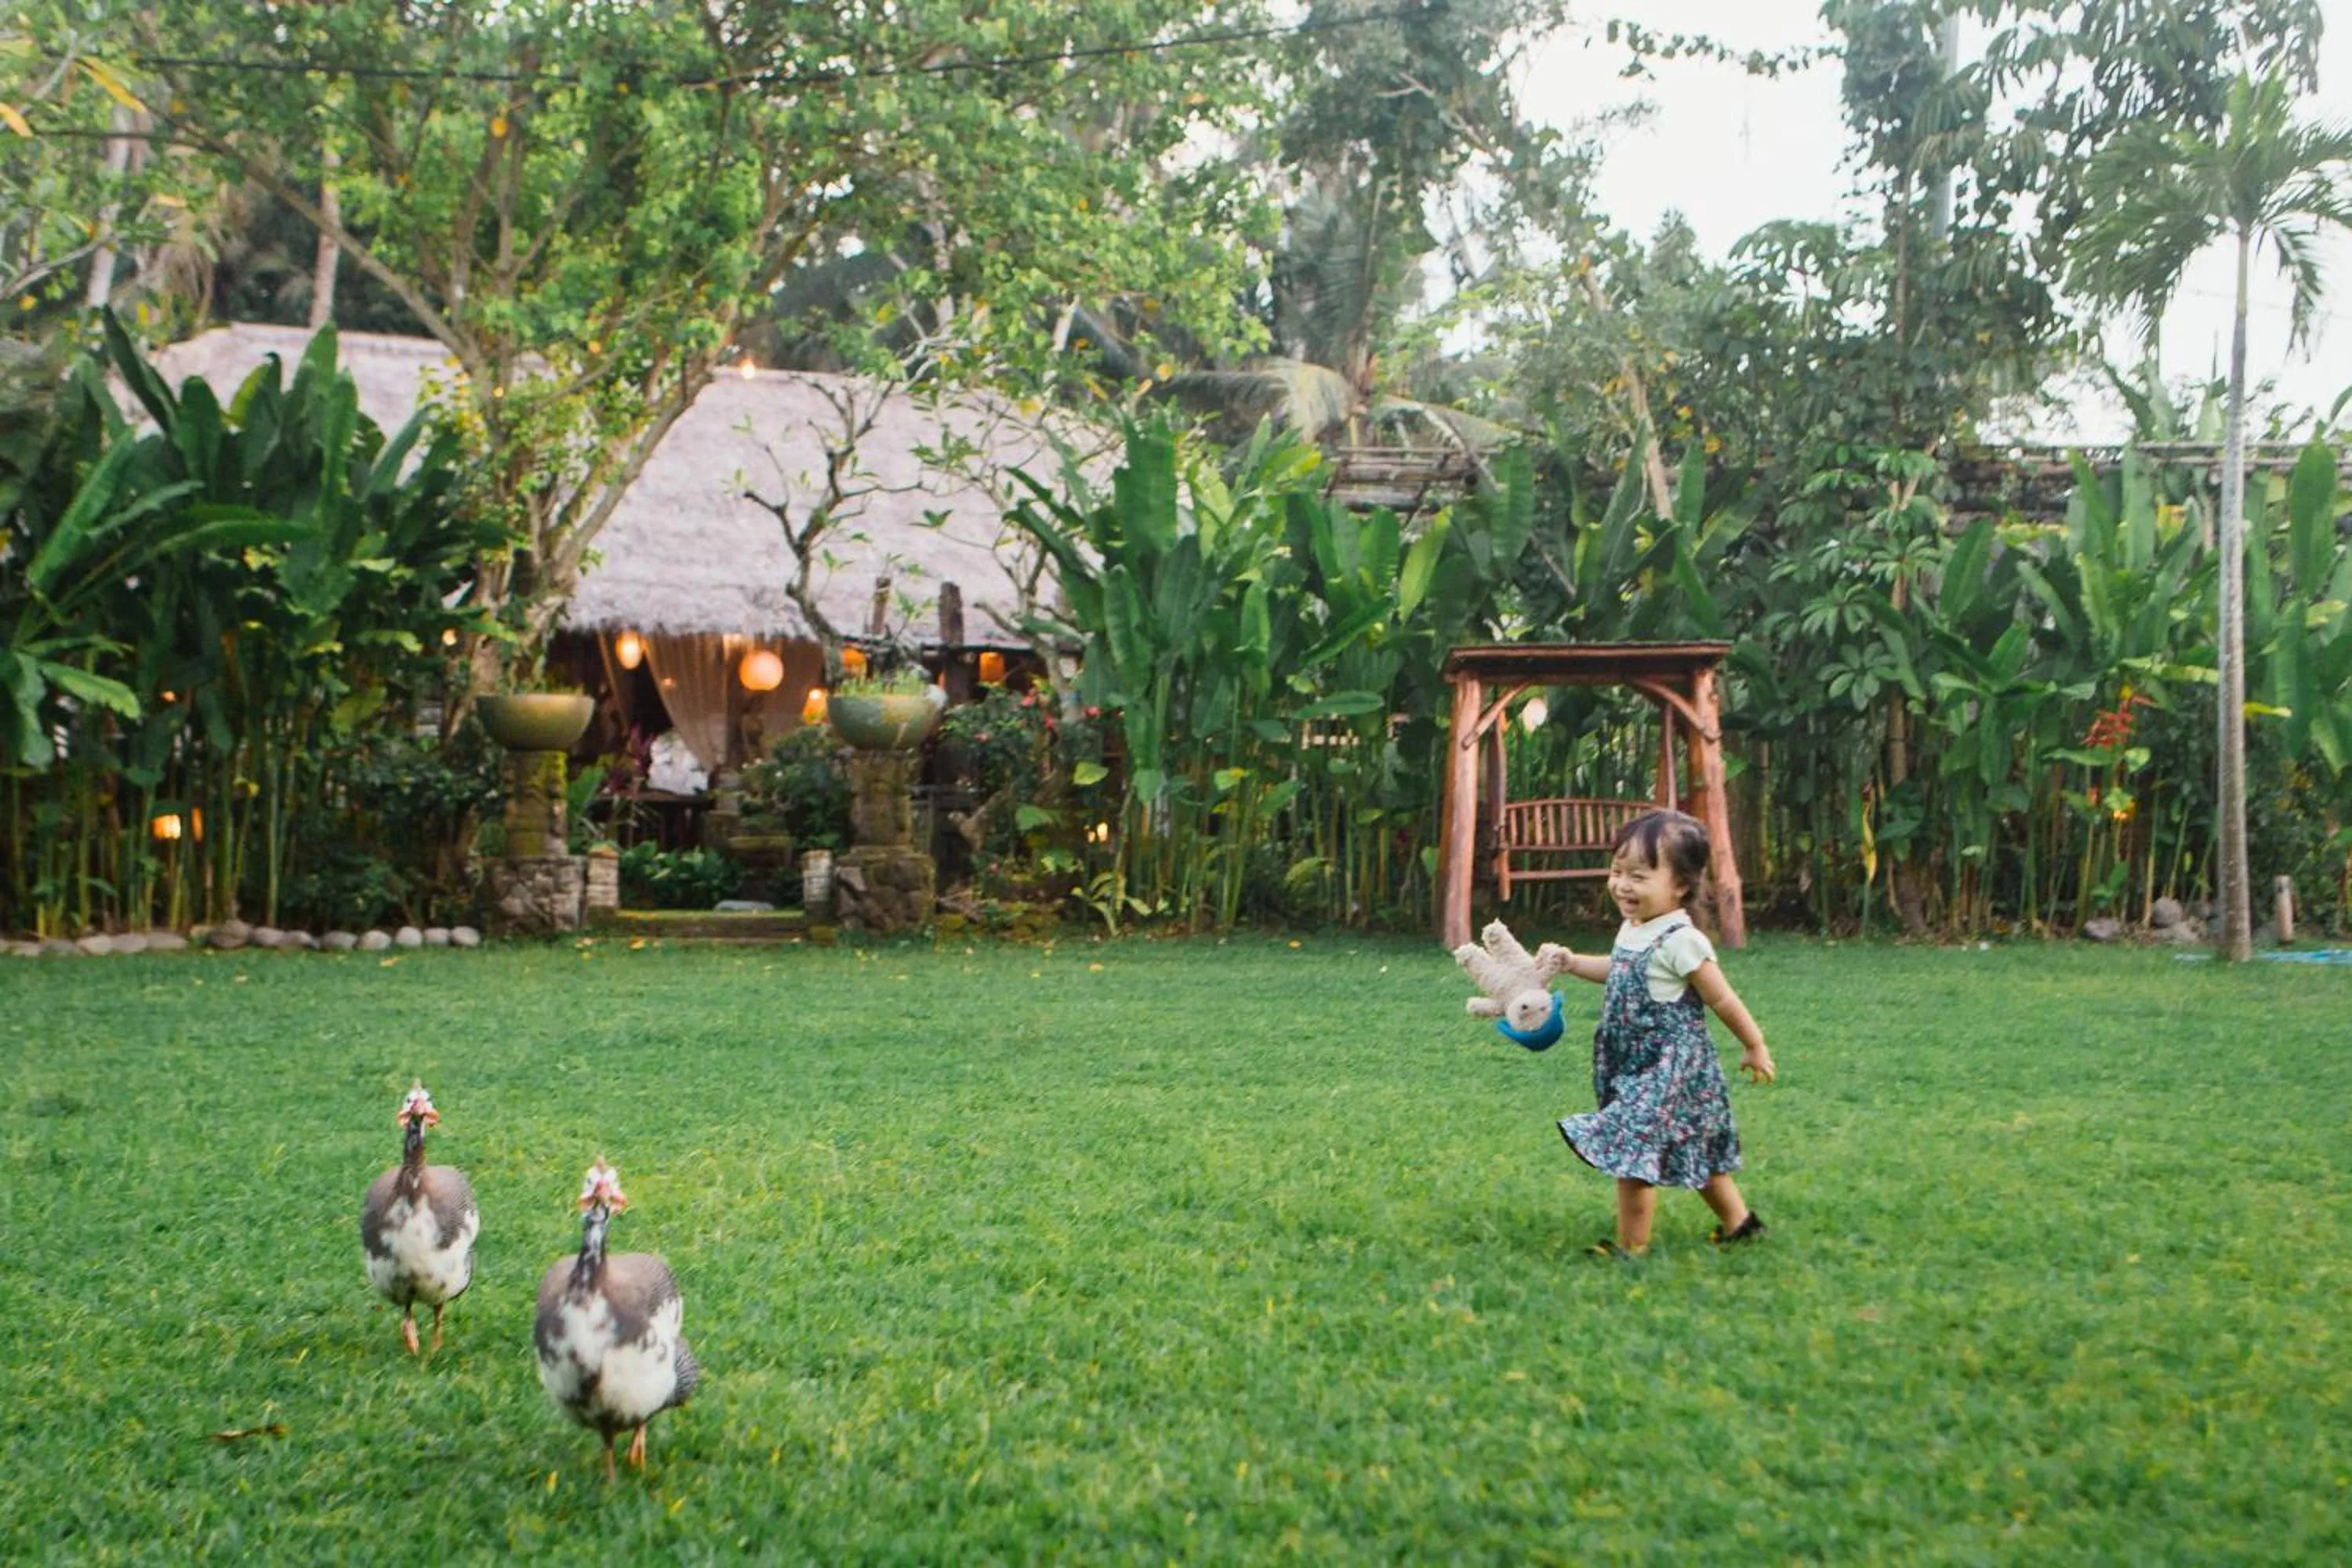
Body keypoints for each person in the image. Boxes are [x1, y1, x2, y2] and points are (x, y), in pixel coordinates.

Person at [1549, 808, 1774, 1258]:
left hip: (1671, 1066)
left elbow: (1722, 1000)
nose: (1623, 885)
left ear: (1682, 886)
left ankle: (1632, 1250)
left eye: (1639, 875)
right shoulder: (1635, 927)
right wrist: (1574, 963)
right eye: (1617, 872)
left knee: (1632, 1156)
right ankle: (1741, 1224)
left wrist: (1754, 1045)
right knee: (1695, 1150)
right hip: (1634, 1063)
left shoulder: (1681, 940)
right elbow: (1620, 970)